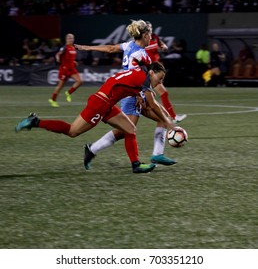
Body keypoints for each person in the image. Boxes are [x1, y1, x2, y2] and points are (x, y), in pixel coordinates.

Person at [15, 62, 175, 174]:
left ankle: (136, 165)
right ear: (152, 72)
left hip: (107, 103)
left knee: (130, 129)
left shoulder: (141, 71)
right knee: (72, 131)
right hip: (101, 103)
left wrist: (140, 95)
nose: (159, 82)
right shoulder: (144, 79)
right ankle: (36, 121)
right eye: (159, 79)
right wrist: (168, 122)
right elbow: (153, 105)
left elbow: (130, 85)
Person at [75, 19, 184, 168]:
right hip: (129, 95)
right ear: (145, 35)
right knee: (125, 131)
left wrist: (88, 47)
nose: (151, 38)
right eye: (150, 34)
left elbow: (111, 48)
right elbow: (139, 77)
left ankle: (157, 154)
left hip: (136, 92)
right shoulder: (141, 55)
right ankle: (92, 149)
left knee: (161, 116)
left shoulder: (129, 45)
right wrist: (171, 125)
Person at [48, 33, 82, 107]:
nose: (71, 39)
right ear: (66, 39)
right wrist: (57, 58)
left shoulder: (73, 47)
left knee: (80, 81)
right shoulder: (64, 47)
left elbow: (70, 58)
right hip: (64, 69)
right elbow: (58, 54)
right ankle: (53, 99)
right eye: (69, 38)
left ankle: (69, 92)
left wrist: (74, 62)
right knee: (60, 86)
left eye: (72, 38)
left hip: (72, 69)